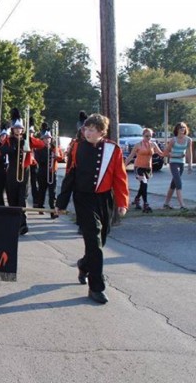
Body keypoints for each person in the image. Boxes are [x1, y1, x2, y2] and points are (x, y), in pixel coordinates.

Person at [55, 114, 129, 304]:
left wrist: (122, 202)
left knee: (100, 240)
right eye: (86, 129)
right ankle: (96, 287)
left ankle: (84, 264)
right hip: (83, 199)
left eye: (92, 130)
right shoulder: (77, 147)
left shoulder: (113, 149)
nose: (87, 132)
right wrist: (60, 203)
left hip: (104, 199)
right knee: (94, 239)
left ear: (101, 132)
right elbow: (70, 176)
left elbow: (120, 177)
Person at [0, 108, 45, 235]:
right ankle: (13, 223)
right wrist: (12, 147)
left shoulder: (27, 139)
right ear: (13, 129)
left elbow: (41, 144)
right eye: (16, 128)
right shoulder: (8, 140)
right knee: (12, 199)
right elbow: (2, 151)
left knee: (21, 199)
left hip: (24, 172)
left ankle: (22, 224)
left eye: (20, 128)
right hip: (12, 172)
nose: (18, 130)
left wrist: (29, 139)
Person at [124, 127, 165, 213]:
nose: (148, 138)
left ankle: (137, 199)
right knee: (144, 182)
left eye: (150, 136)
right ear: (143, 136)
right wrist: (123, 166)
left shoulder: (153, 144)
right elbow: (131, 156)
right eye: (146, 136)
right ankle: (145, 204)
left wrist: (171, 153)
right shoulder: (138, 145)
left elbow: (161, 153)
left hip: (148, 168)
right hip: (139, 166)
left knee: (143, 185)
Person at [162, 122, 193, 211]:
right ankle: (182, 205)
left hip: (181, 163)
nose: (182, 129)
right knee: (178, 183)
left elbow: (189, 153)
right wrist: (176, 156)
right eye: (180, 128)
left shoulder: (188, 140)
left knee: (174, 184)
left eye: (183, 127)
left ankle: (166, 204)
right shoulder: (173, 140)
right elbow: (165, 153)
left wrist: (190, 165)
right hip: (173, 163)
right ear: (177, 129)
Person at [35, 130, 65, 218]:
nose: (47, 140)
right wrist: (49, 156)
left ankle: (53, 212)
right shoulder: (39, 149)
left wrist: (57, 156)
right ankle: (40, 208)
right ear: (42, 139)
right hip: (42, 173)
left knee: (53, 193)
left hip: (52, 173)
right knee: (42, 191)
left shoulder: (54, 148)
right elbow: (39, 160)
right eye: (45, 138)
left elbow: (61, 158)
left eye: (49, 138)